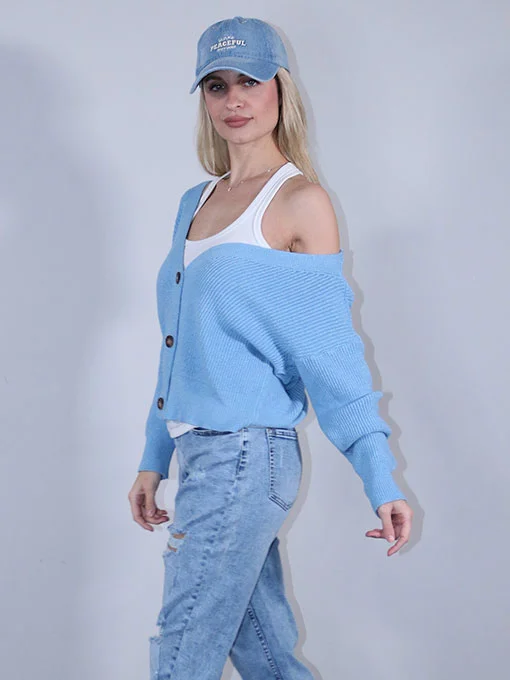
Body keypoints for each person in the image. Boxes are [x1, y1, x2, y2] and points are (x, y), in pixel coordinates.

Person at [128, 15, 413, 680]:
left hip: (245, 456)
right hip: (203, 454)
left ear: (281, 89)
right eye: (217, 85)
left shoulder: (300, 202)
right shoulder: (194, 202)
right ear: (203, 98)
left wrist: (379, 476)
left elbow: (332, 356)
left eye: (250, 82)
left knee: (183, 651)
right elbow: (177, 347)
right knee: (265, 655)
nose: (234, 100)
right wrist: (154, 455)